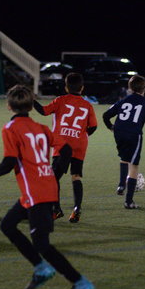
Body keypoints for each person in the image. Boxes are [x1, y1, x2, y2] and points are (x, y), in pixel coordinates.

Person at [0, 84, 95, 289]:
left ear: (9, 106)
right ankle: (41, 268)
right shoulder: (41, 128)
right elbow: (65, 148)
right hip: (42, 188)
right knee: (7, 225)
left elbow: (9, 162)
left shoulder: (10, 129)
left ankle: (80, 282)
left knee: (42, 246)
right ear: (30, 105)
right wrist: (55, 170)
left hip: (37, 193)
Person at [33, 72, 97, 223]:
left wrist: (31, 100)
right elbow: (93, 126)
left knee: (53, 178)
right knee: (76, 176)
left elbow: (43, 111)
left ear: (66, 87)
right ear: (82, 88)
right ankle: (77, 209)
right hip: (80, 144)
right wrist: (81, 135)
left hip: (62, 143)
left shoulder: (60, 100)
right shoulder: (88, 105)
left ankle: (56, 209)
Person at [102, 75, 145, 209]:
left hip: (119, 132)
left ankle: (121, 185)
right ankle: (129, 201)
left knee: (124, 157)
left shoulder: (123, 100)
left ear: (130, 88)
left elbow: (105, 115)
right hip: (133, 135)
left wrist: (111, 127)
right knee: (134, 166)